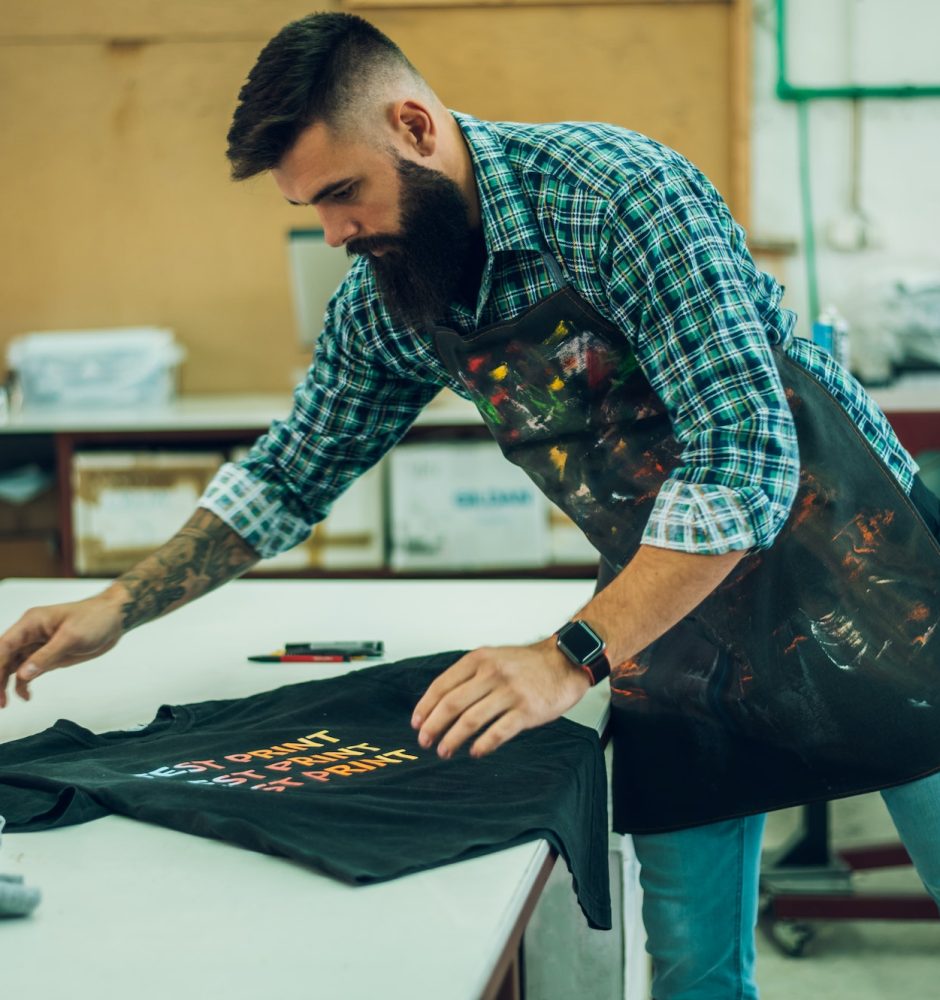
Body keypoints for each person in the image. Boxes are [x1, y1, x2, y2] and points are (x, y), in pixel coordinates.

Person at [2, 13, 939, 998]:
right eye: (309, 207)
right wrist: (117, 604)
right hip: (672, 633)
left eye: (341, 193)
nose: (331, 232)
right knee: (692, 972)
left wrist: (565, 653)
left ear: (413, 125)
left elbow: (743, 457)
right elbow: (295, 466)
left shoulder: (614, 195)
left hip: (865, 583)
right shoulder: (391, 296)